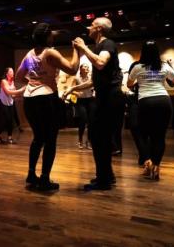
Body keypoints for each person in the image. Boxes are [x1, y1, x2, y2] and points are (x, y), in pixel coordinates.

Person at [16, 23, 80, 191]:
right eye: (51, 34)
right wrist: (77, 50)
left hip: (30, 99)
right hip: (46, 98)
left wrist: (33, 82)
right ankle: (44, 178)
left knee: (38, 138)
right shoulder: (50, 52)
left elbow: (18, 76)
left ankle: (31, 174)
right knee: (50, 139)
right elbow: (73, 69)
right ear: (47, 37)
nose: (53, 36)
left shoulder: (29, 53)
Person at [72, 17, 125, 191]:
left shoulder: (107, 44)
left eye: (92, 25)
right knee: (98, 137)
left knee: (99, 137)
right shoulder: (98, 47)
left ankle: (105, 179)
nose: (89, 28)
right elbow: (95, 80)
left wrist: (83, 48)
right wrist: (72, 89)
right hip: (104, 97)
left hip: (110, 98)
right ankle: (106, 176)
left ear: (100, 29)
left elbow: (101, 63)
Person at [128, 41, 174, 180]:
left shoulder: (137, 67)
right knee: (159, 136)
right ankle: (156, 166)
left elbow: (129, 84)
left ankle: (147, 161)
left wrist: (140, 79)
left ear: (143, 52)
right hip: (164, 101)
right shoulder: (163, 66)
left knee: (141, 133)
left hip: (145, 102)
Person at [63, 63, 94, 150]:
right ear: (80, 69)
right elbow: (71, 90)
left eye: (88, 66)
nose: (87, 67)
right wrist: (77, 93)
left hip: (90, 100)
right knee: (83, 120)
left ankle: (89, 141)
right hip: (81, 101)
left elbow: (93, 86)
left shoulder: (90, 77)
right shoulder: (76, 78)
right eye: (85, 66)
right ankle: (80, 139)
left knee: (91, 121)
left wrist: (94, 92)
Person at [0, 67, 25, 144]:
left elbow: (13, 95)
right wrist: (20, 90)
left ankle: (9, 137)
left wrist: (20, 95)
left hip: (10, 103)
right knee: (4, 121)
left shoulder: (12, 82)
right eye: (11, 71)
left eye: (13, 71)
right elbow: (8, 92)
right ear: (7, 73)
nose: (13, 73)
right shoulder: (3, 81)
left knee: (10, 120)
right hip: (3, 103)